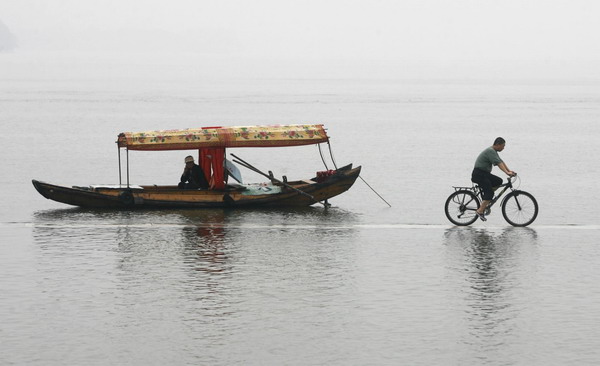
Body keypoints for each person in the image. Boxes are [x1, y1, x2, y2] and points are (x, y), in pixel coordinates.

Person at [471, 137, 516, 221]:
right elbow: (498, 164)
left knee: (498, 181)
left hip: (484, 174)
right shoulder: (490, 151)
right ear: (498, 145)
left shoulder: (493, 151)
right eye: (503, 146)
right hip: (479, 174)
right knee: (490, 193)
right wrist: (506, 173)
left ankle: (486, 199)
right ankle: (480, 210)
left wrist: (509, 171)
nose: (503, 148)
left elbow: (501, 161)